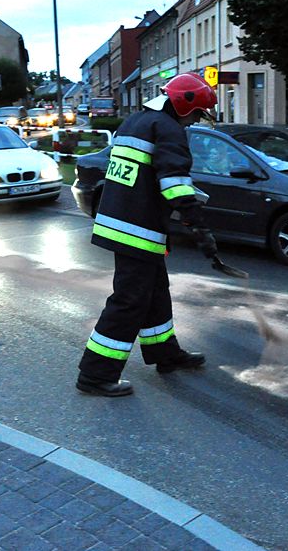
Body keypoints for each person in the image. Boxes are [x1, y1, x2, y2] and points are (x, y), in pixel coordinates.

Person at [76, 73, 219, 397]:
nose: (194, 121)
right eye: (197, 114)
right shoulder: (168, 129)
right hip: (137, 229)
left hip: (123, 222)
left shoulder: (135, 122)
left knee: (155, 293)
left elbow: (142, 175)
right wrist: (199, 226)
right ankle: (95, 375)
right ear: (185, 105)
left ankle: (165, 355)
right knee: (129, 301)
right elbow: (174, 185)